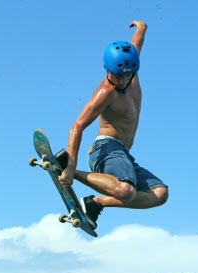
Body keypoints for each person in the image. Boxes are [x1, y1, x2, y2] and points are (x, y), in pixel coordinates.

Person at [58, 20, 169, 230]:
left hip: (123, 154)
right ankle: (65, 168)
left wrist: (142, 28)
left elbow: (136, 45)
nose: (118, 80)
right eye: (114, 75)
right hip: (106, 148)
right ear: (108, 69)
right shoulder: (105, 92)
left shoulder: (130, 71)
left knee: (159, 194)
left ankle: (95, 202)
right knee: (126, 191)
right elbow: (77, 126)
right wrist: (71, 166)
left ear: (132, 71)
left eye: (124, 76)